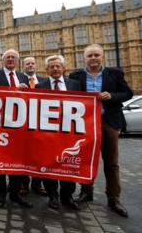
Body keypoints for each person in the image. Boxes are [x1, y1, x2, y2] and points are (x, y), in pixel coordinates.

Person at [69, 44, 132, 218]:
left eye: (96, 55)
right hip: (85, 124)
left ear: (102, 56)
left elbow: (127, 93)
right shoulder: (75, 76)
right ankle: (86, 192)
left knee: (111, 162)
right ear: (84, 58)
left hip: (109, 122)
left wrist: (111, 96)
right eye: (90, 55)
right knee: (85, 160)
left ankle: (114, 198)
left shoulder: (115, 73)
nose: (93, 58)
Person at [0, 49, 33, 208]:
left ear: (18, 60)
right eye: (8, 57)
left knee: (18, 163)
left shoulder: (23, 77)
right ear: (3, 60)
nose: (11, 60)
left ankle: (15, 193)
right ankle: (0, 194)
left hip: (19, 127)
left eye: (14, 57)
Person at [36, 55, 81, 210]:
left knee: (69, 165)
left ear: (64, 68)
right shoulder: (40, 86)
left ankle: (67, 195)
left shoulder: (75, 85)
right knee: (50, 165)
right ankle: (52, 195)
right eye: (52, 67)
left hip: (70, 134)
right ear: (47, 70)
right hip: (48, 134)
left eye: (58, 66)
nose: (55, 69)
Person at [21, 56, 46, 196]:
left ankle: (38, 183)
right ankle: (24, 184)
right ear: (23, 66)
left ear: (36, 65)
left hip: (40, 124)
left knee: (40, 155)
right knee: (23, 154)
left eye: (32, 63)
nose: (30, 65)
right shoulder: (18, 80)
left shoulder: (44, 81)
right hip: (23, 124)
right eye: (27, 64)